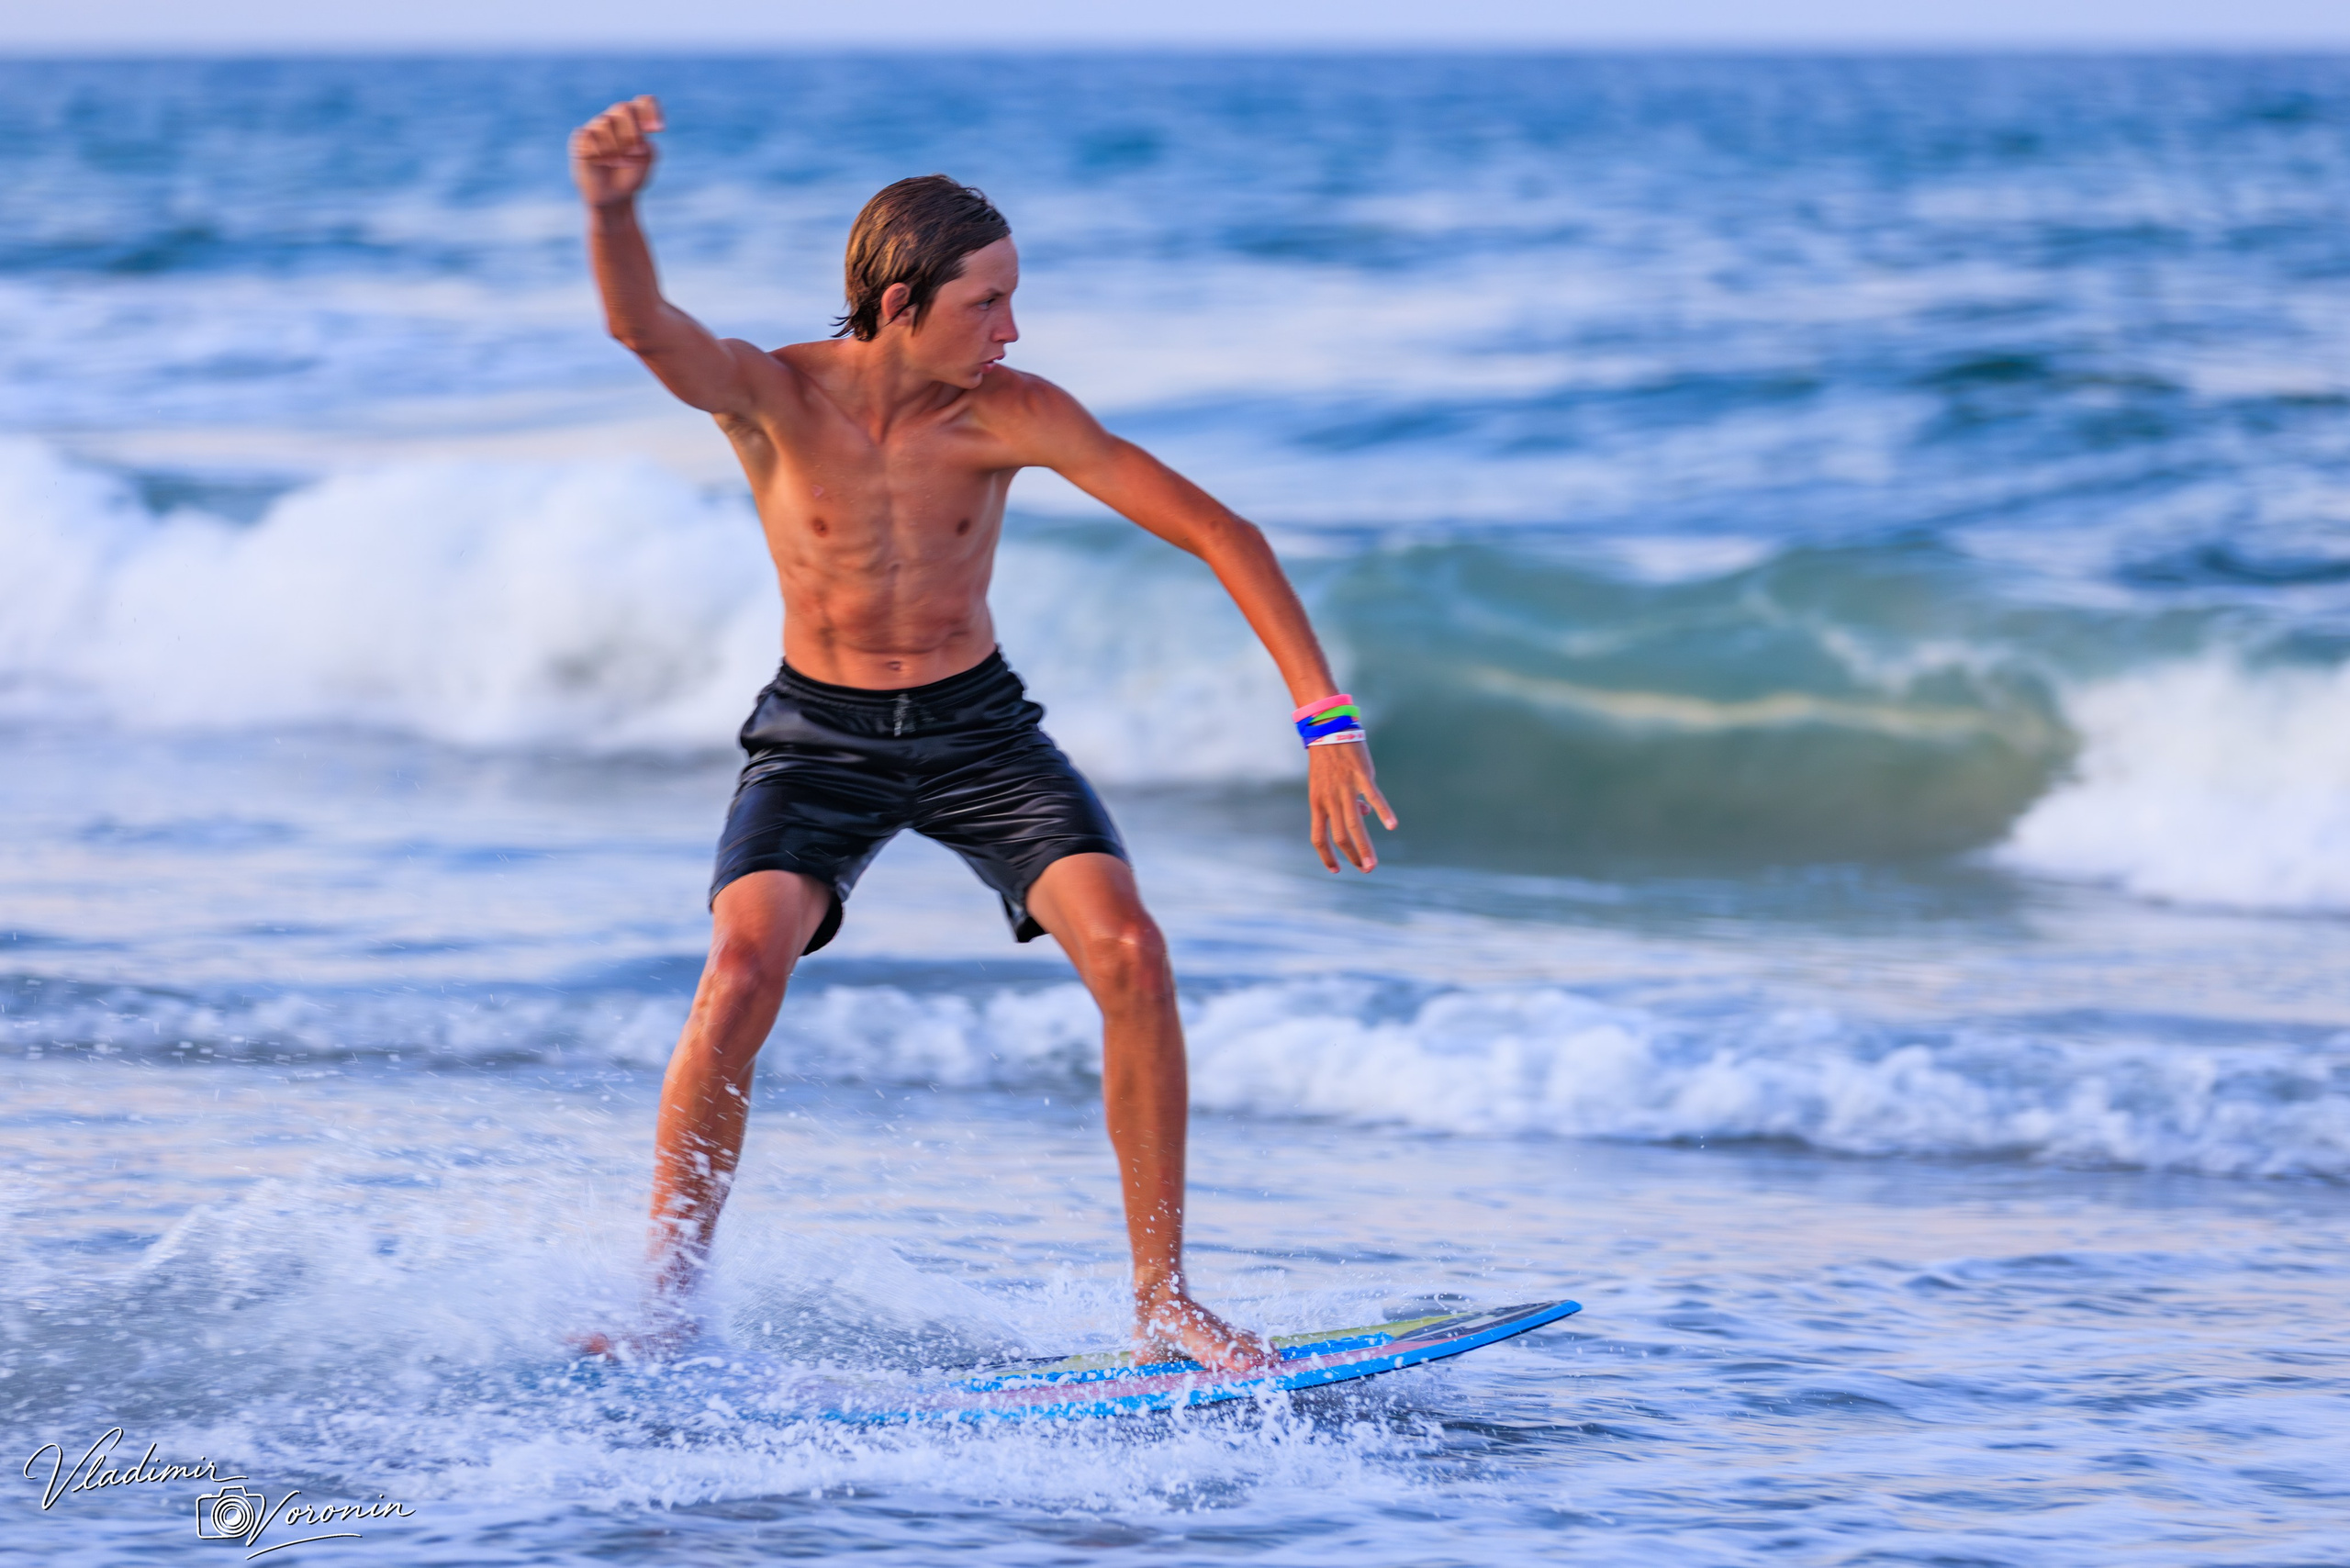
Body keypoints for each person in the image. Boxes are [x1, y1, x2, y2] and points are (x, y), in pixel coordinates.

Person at [567, 95, 1395, 1373]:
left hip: (977, 730)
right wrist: (614, 210)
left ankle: (1163, 1299)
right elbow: (642, 329)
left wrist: (1325, 719)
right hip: (819, 735)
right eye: (987, 303)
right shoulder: (774, 397)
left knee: (1132, 953)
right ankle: (668, 1299)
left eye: (1014, 302)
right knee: (739, 970)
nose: (1012, 329)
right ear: (899, 303)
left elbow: (1223, 532)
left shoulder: (1010, 412)